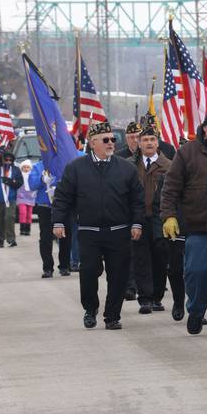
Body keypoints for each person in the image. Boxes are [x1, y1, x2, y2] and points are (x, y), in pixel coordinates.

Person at [52, 121, 144, 329]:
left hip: (119, 232)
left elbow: (137, 200)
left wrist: (137, 223)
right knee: (89, 271)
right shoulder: (75, 168)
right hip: (89, 232)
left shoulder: (126, 169)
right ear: (93, 143)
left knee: (119, 276)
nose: (111, 143)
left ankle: (112, 316)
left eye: (113, 139)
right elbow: (62, 197)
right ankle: (90, 308)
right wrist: (58, 221)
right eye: (106, 140)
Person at [160, 105, 207, 335]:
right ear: (205, 128)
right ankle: (196, 311)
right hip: (200, 226)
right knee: (196, 273)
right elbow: (170, 187)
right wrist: (169, 216)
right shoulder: (187, 152)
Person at [130, 125, 173, 314]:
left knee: (160, 257)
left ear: (158, 143)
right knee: (141, 259)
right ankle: (145, 298)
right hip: (138, 217)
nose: (149, 143)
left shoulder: (169, 166)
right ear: (139, 144)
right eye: (145, 140)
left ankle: (157, 297)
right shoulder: (130, 165)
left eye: (152, 140)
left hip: (160, 218)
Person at [29, 160, 72, 278]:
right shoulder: (38, 166)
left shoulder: (64, 162)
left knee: (65, 235)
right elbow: (31, 185)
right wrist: (41, 179)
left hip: (63, 206)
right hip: (45, 206)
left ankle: (64, 266)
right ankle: (47, 268)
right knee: (45, 238)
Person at [0, 151, 23, 248]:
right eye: (6, 160)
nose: (8, 162)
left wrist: (11, 182)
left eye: (10, 160)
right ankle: (1, 240)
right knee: (0, 219)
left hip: (11, 198)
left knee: (9, 217)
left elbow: (20, 182)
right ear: (2, 160)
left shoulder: (15, 170)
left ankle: (11, 239)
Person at [16, 159, 36, 236]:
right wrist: (19, 194)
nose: (26, 169)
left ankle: (28, 229)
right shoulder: (20, 176)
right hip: (21, 197)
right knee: (22, 213)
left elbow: (35, 186)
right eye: (24, 167)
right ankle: (22, 229)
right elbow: (18, 186)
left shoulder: (32, 176)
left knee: (29, 214)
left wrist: (34, 193)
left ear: (30, 168)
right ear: (22, 168)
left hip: (31, 197)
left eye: (28, 167)